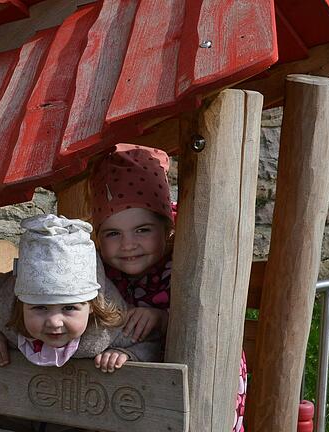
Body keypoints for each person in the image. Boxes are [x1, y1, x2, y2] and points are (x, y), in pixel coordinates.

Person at [89, 143, 247, 432]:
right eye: (113, 233)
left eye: (143, 230)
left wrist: (164, 319)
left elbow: (211, 318)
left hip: (201, 383)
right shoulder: (100, 270)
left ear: (167, 228)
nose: (128, 245)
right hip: (130, 388)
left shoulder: (185, 262)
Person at [0, 213, 162, 372]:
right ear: (21, 304)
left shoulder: (110, 328)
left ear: (92, 306)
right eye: (40, 307)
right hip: (12, 405)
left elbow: (154, 343)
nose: (54, 322)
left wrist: (127, 353)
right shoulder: (6, 305)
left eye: (69, 307)